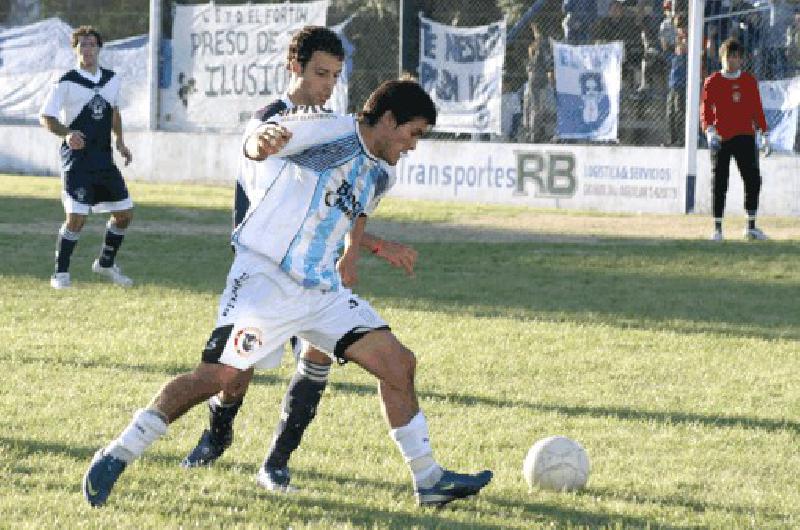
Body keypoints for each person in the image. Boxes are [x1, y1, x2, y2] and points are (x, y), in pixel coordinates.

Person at [82, 79, 493, 508]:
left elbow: (354, 213)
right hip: (266, 277)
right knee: (216, 378)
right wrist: (261, 140)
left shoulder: (383, 172)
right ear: (389, 120)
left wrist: (365, 249)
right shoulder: (329, 131)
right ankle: (118, 452)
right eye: (414, 133)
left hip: (320, 291)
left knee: (398, 364)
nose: (413, 145)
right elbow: (260, 144)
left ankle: (428, 481)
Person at [182, 27, 420, 494]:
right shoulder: (272, 121)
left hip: (317, 272)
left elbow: (346, 200)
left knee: (318, 357)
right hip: (267, 267)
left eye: (335, 75)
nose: (328, 84)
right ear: (295, 67)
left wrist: (356, 249)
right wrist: (262, 140)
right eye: (319, 73)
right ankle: (217, 432)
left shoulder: (334, 127)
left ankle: (276, 462)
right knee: (236, 371)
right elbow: (268, 172)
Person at [40, 25, 134, 289]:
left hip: (103, 159)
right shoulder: (66, 81)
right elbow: (46, 116)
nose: (88, 49)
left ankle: (105, 264)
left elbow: (114, 112)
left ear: (99, 48)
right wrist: (67, 134)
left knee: (125, 213)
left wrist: (120, 141)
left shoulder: (112, 80)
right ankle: (60, 275)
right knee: (77, 218)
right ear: (75, 50)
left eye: (92, 44)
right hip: (77, 161)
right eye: (82, 45)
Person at [701, 37, 769, 241]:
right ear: (721, 58)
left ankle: (751, 226)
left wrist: (764, 133)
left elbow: (756, 108)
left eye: (736, 57)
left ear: (741, 60)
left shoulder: (749, 81)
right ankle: (718, 229)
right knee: (719, 182)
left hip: (745, 137)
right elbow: (705, 109)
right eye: (728, 57)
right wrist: (709, 130)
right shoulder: (712, 81)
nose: (732, 61)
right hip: (721, 138)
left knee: (753, 180)